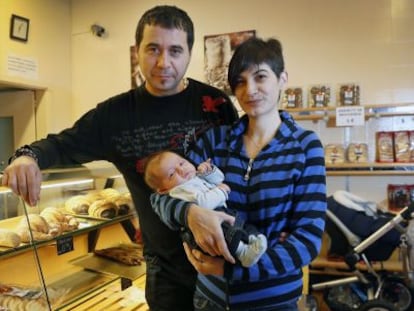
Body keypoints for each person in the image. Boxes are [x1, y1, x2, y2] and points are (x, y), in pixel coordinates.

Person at [1, 5, 239, 311]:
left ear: (189, 53)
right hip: (166, 274)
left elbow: (243, 167)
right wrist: (26, 156)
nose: (164, 62)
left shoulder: (216, 104)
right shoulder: (115, 116)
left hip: (223, 260)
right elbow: (63, 144)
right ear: (137, 50)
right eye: (153, 49)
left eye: (175, 50)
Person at [151, 37, 327, 310]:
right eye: (241, 82)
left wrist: (229, 270)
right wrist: (191, 214)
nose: (250, 90)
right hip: (210, 299)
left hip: (273, 301)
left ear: (282, 79)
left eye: (260, 77)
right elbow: (162, 197)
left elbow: (308, 239)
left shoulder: (306, 146)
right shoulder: (215, 140)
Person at [144, 150, 267, 267]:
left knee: (241, 223)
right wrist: (221, 191)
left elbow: (219, 179)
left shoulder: (195, 176)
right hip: (206, 227)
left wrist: (209, 171)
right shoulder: (178, 191)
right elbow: (203, 204)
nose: (181, 170)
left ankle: (253, 238)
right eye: (171, 174)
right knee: (225, 233)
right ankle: (242, 252)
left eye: (182, 163)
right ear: (164, 190)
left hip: (221, 213)